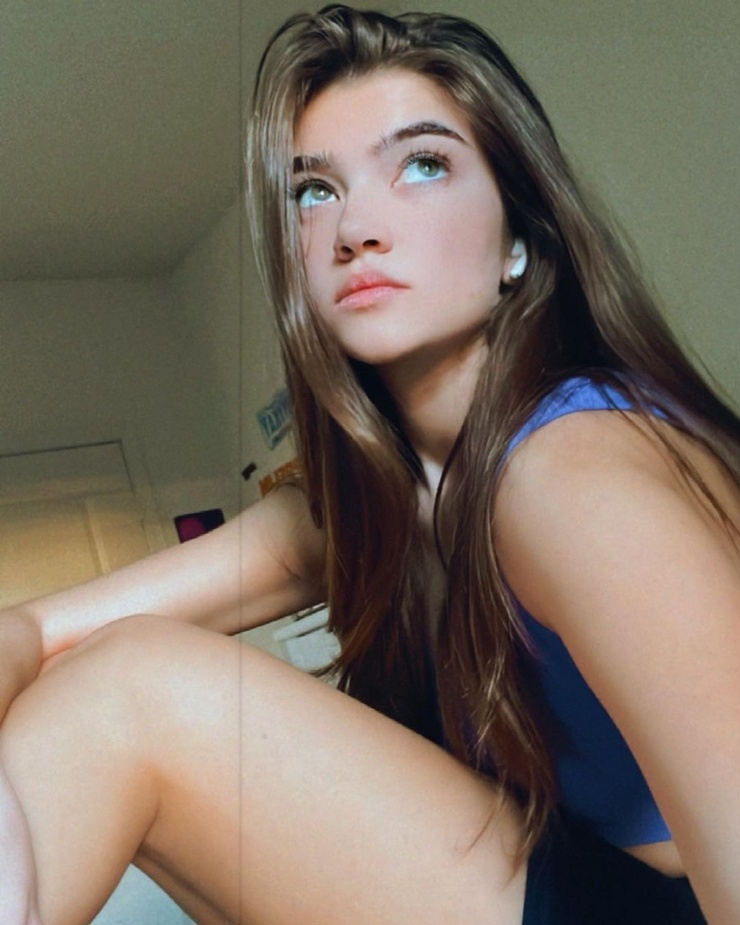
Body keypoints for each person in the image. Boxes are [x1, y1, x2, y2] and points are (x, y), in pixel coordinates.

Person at [0, 4, 738, 923]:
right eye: (315, 191)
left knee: (130, 692)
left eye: (422, 165)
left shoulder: (569, 473)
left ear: (518, 239)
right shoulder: (368, 502)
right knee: (109, 684)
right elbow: (34, 634)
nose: (355, 226)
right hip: (574, 877)